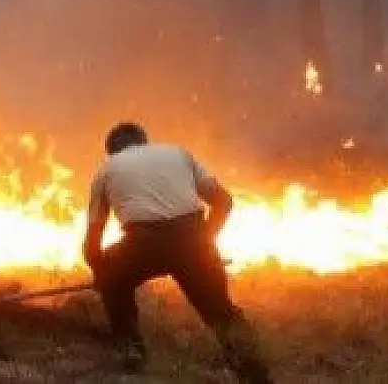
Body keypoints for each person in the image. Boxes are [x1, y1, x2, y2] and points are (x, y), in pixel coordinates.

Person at [81, 122, 271, 382]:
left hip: (141, 244)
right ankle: (254, 370)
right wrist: (205, 241)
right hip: (193, 237)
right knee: (219, 310)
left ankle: (131, 350)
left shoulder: (106, 170)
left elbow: (93, 241)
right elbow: (224, 201)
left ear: (112, 151)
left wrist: (102, 275)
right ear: (144, 142)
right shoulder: (178, 153)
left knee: (112, 282)